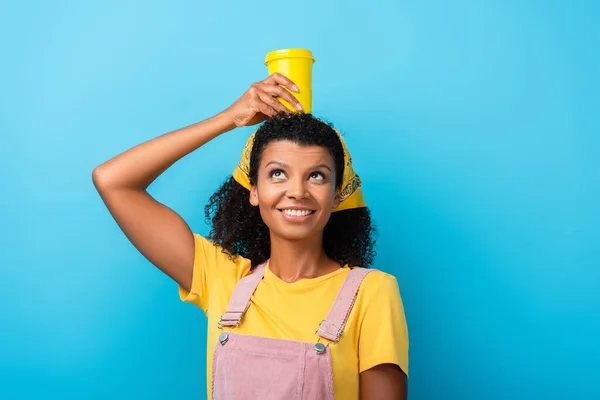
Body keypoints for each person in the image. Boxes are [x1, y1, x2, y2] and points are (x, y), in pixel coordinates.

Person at [92, 73, 409, 399]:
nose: (297, 192)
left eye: (316, 176)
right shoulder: (221, 278)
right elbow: (112, 180)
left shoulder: (372, 292)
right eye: (278, 174)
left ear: (337, 194)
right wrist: (229, 118)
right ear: (253, 190)